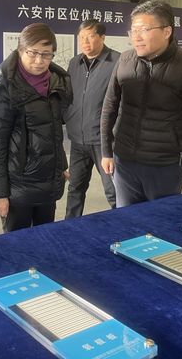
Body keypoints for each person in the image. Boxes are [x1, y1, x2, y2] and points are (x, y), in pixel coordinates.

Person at [101, 0, 182, 206]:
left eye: (144, 30)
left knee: (161, 221)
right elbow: (109, 107)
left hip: (165, 165)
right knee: (127, 219)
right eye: (133, 30)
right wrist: (106, 151)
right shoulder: (125, 60)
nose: (136, 37)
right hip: (124, 162)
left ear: (166, 31)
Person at [0, 23, 72, 232]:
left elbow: (53, 132)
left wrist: (61, 164)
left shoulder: (57, 84)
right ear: (20, 50)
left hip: (49, 183)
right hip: (18, 188)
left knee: (46, 238)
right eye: (32, 53)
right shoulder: (5, 89)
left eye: (46, 54)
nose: (39, 61)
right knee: (17, 245)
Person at [64, 20, 120, 218]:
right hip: (78, 140)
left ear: (102, 37)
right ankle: (69, 227)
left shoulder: (117, 61)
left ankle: (123, 226)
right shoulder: (74, 63)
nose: (85, 42)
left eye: (90, 37)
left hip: (104, 141)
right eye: (81, 37)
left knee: (113, 191)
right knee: (75, 189)